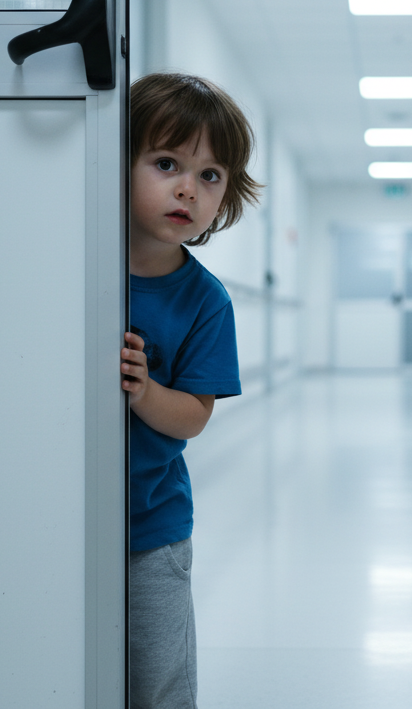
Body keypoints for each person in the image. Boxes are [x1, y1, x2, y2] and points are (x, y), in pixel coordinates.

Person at [121, 72, 261, 709]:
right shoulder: (68, 262)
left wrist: (145, 391)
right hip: (61, 518)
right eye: (166, 162)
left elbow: (194, 417)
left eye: (210, 175)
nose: (187, 187)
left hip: (152, 528)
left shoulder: (206, 302)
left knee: (159, 683)